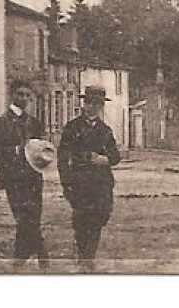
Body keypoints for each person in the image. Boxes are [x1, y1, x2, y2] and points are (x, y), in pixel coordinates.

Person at [0, 82, 49, 268]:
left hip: (34, 177)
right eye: (20, 94)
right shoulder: (1, 123)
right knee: (24, 217)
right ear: (12, 95)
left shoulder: (35, 123)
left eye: (27, 95)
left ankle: (20, 258)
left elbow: (43, 149)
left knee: (32, 217)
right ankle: (41, 252)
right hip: (13, 179)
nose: (23, 99)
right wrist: (16, 150)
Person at [59, 86, 121, 269]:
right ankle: (83, 258)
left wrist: (105, 160)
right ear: (84, 104)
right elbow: (62, 158)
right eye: (88, 102)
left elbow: (115, 157)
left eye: (96, 103)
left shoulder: (106, 130)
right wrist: (66, 182)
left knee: (98, 220)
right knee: (81, 221)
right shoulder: (72, 128)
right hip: (80, 182)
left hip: (101, 184)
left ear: (101, 106)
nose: (91, 107)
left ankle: (89, 257)